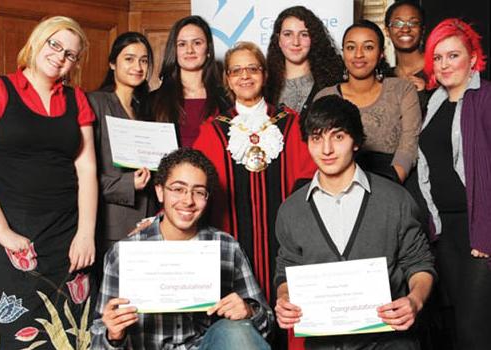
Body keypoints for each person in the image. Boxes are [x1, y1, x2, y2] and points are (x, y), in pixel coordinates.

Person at [274, 95, 436, 350]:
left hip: (389, 342)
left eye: (338, 137)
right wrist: (284, 298)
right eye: (317, 138)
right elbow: (287, 270)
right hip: (324, 344)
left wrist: (415, 300)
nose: (326, 150)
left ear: (356, 141)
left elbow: (419, 263)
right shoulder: (291, 210)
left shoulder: (395, 200)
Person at [194, 41, 315, 349]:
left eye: (252, 68)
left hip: (287, 246)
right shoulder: (213, 130)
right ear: (227, 78)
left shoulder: (290, 123)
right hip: (232, 247)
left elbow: (308, 183)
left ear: (264, 74)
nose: (244, 76)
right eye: (236, 70)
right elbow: (192, 187)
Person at [90, 148, 273, 349]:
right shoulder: (124, 253)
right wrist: (113, 335)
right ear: (160, 191)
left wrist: (249, 312)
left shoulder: (226, 247)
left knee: (236, 331)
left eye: (199, 192)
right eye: (178, 189)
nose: (188, 200)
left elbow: (266, 323)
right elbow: (98, 339)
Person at [0, 16, 97, 348]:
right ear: (38, 41)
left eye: (70, 53)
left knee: (68, 332)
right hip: (11, 231)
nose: (60, 56)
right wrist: (2, 231)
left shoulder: (77, 99)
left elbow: (87, 171)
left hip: (67, 236)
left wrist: (86, 234)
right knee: (14, 333)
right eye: (55, 44)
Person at [418, 18, 491, 350]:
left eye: (453, 55)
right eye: (438, 57)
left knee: (474, 331)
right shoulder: (433, 104)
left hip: (479, 230)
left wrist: (486, 231)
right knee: (454, 326)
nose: (444, 64)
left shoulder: (486, 99)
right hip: (445, 231)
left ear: (473, 58)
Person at [315, 20, 421, 184]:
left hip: (395, 181)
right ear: (343, 53)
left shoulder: (402, 90)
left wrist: (388, 187)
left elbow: (409, 145)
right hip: (340, 185)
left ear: (381, 54)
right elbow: (320, 149)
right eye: (351, 47)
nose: (358, 54)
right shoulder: (325, 97)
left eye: (368, 47)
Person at [88, 32, 158, 263]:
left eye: (144, 60)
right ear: (112, 63)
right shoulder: (95, 103)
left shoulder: (146, 110)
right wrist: (129, 184)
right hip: (110, 227)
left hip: (148, 224)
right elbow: (82, 175)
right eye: (129, 59)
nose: (137, 66)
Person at [150, 15, 230, 147]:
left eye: (197, 43)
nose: (189, 50)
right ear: (174, 51)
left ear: (208, 49)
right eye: (182, 44)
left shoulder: (226, 100)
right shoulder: (152, 101)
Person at [266, 6, 343, 123]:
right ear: (278, 40)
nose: (296, 42)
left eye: (304, 34)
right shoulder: (264, 84)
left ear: (314, 39)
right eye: (288, 34)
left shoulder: (331, 83)